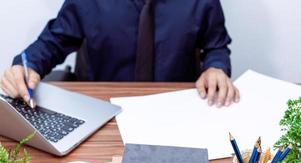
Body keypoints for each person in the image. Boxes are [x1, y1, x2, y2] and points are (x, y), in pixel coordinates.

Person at [0, 0, 239, 107]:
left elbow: (215, 45)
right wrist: (26, 66)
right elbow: (54, 41)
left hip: (176, 108)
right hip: (103, 110)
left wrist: (215, 67)